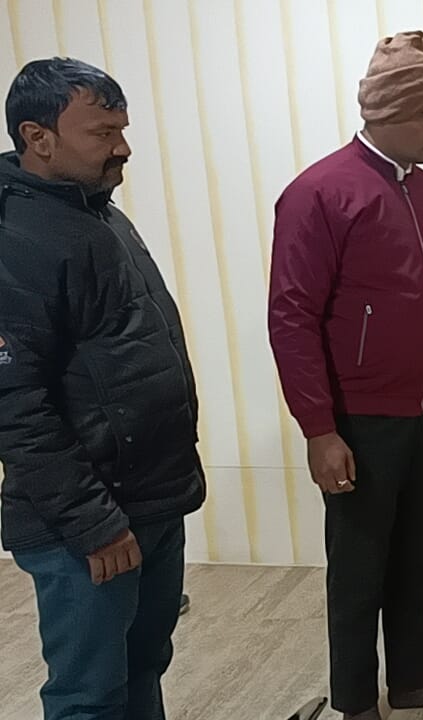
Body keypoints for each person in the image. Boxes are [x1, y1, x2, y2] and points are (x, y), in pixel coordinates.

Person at [268, 31, 423, 719]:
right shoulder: (318, 194)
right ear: (388, 111)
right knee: (360, 569)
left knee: (418, 556)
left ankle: (414, 680)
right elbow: (291, 318)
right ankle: (356, 702)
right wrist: (319, 429)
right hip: (359, 420)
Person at [0, 58, 204, 720]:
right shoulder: (14, 240)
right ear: (38, 137)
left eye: (122, 129)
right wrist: (93, 524)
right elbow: (15, 408)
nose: (123, 148)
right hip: (86, 523)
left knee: (144, 665)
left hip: (149, 499)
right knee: (88, 695)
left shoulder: (97, 213)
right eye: (103, 132)